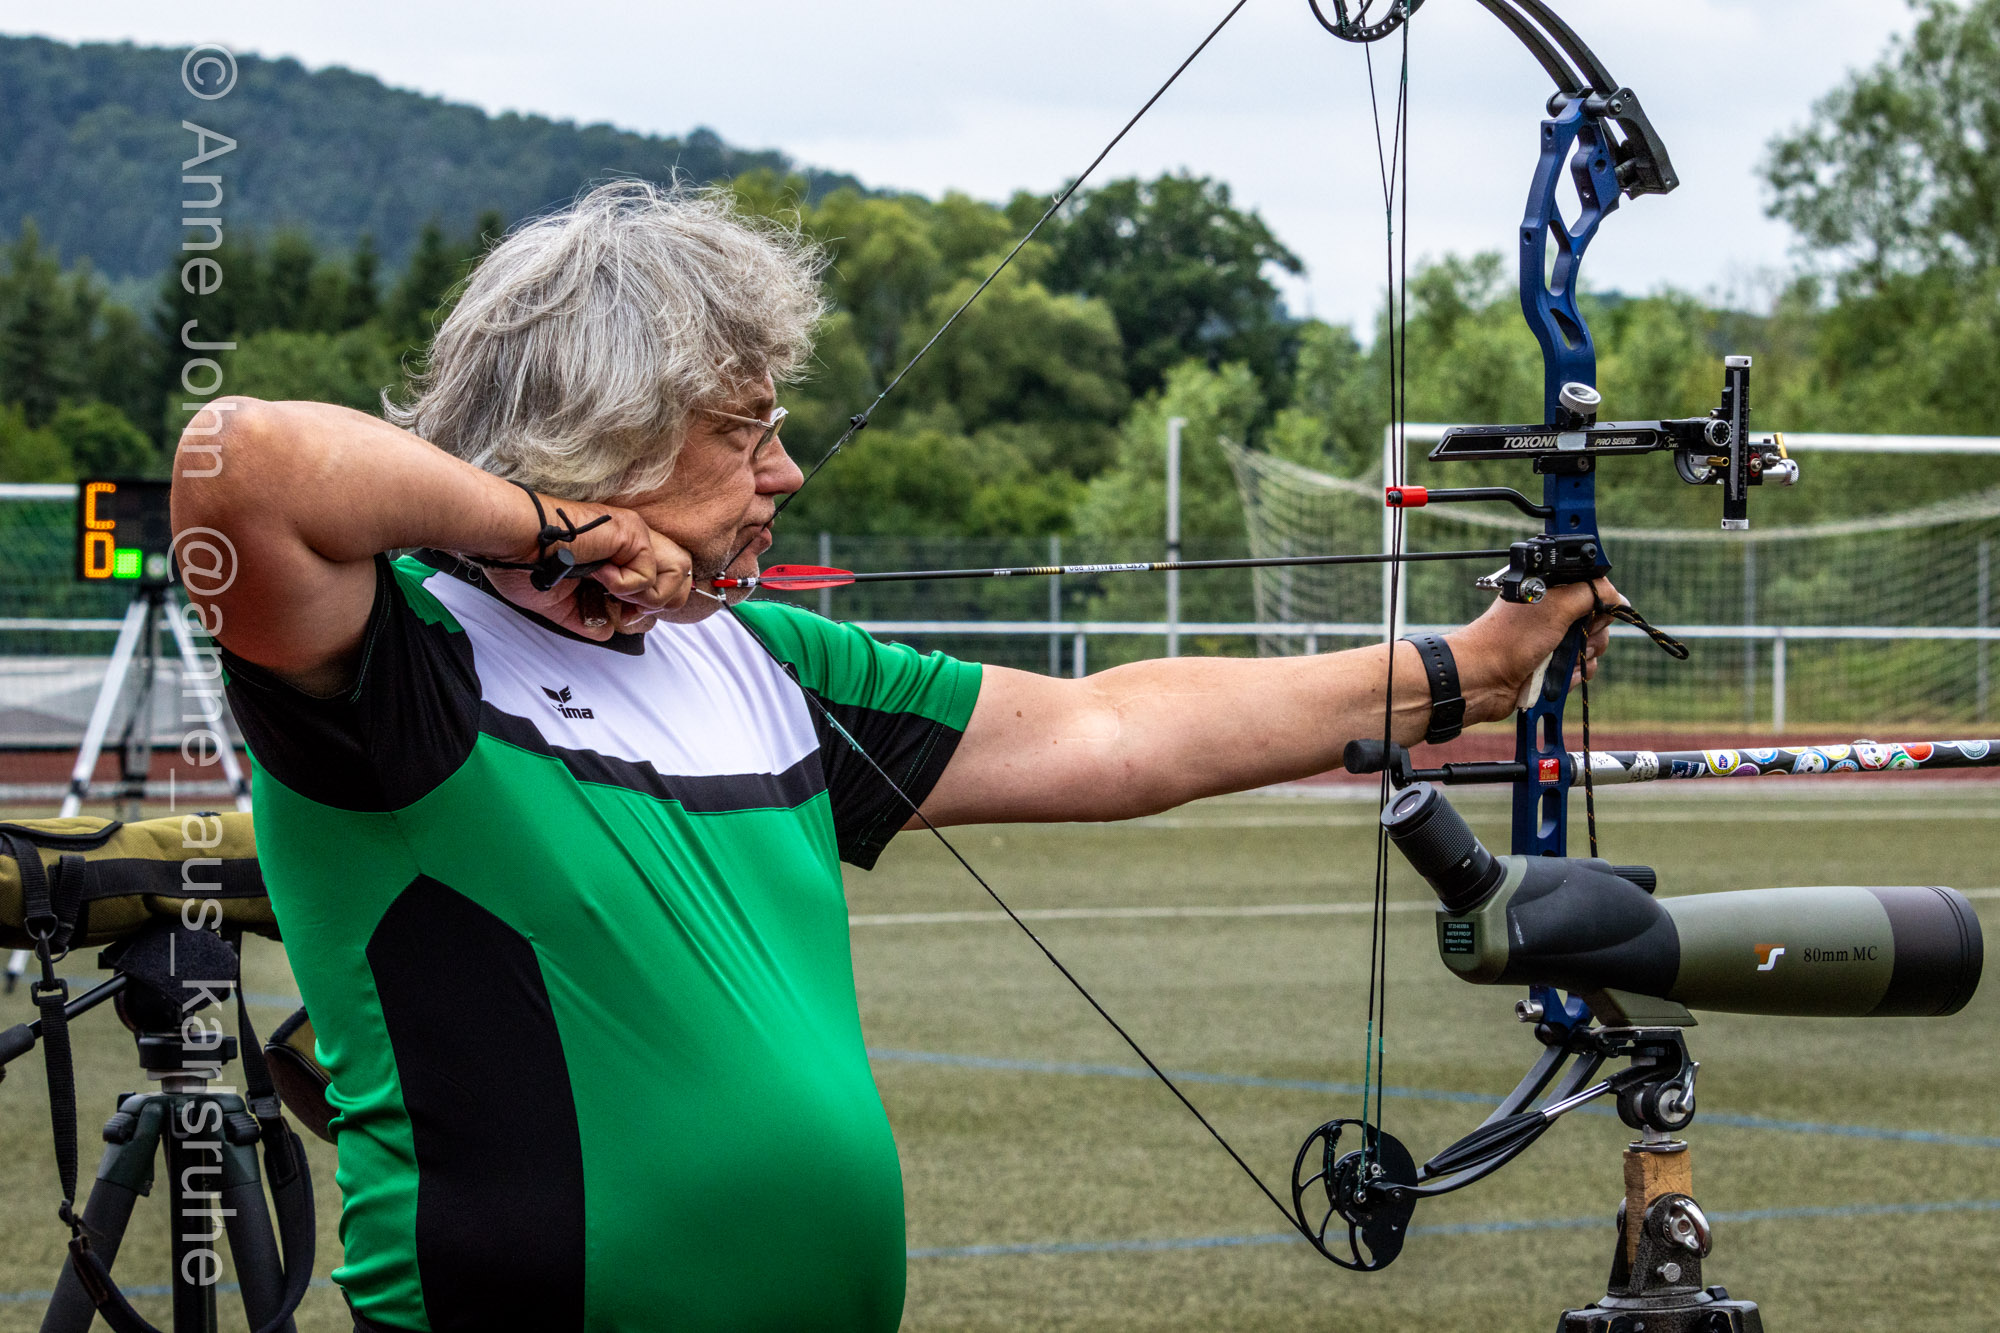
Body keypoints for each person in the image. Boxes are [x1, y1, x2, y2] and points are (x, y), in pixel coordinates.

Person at [171, 181, 1615, 1333]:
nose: (784, 472)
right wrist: (552, 531)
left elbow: (1110, 730)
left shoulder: (763, 661)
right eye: (743, 432)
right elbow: (237, 467)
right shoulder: (401, 667)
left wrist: (1469, 671)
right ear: (602, 436)